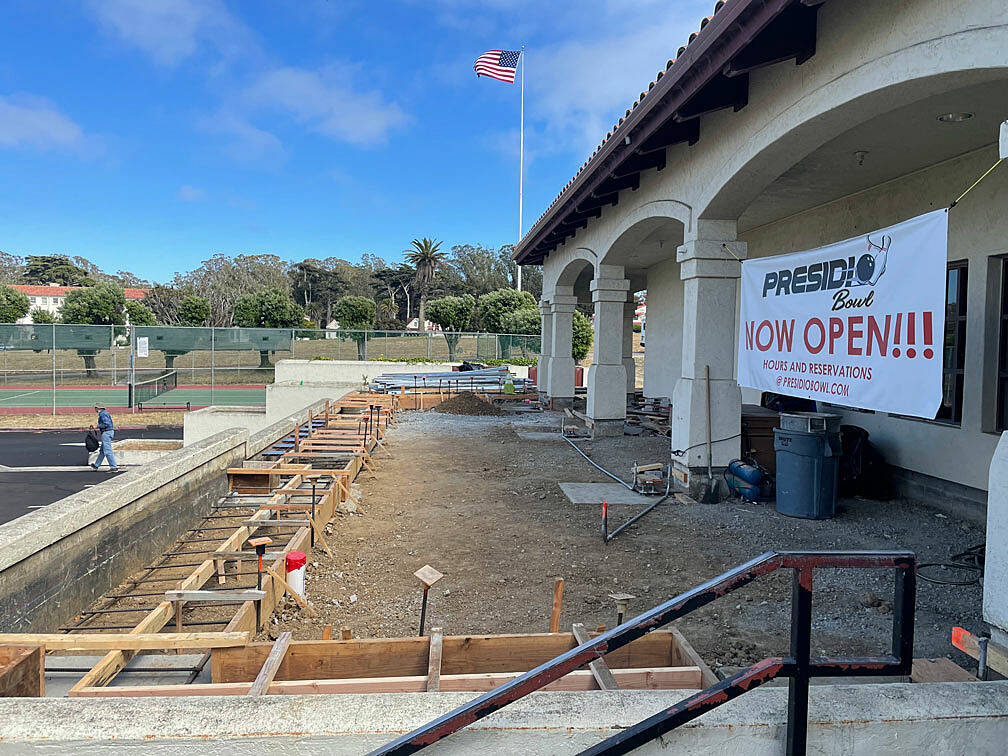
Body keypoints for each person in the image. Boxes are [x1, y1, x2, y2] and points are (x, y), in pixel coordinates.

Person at [90, 403, 118, 472]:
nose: (95, 409)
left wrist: (97, 426)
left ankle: (113, 467)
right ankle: (96, 465)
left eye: (95, 408)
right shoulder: (104, 413)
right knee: (102, 451)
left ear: (98, 408)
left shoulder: (103, 414)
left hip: (106, 433)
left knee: (108, 451)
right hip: (108, 432)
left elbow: (106, 424)